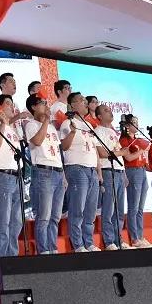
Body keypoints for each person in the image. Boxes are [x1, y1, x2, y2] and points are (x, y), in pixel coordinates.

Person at [60, 93, 102, 252]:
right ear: (72, 105)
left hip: (92, 170)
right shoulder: (67, 123)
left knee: (90, 211)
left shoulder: (89, 125)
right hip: (76, 168)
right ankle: (78, 244)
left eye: (85, 100)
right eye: (81, 100)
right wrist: (72, 132)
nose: (85, 102)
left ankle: (89, 242)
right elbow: (64, 147)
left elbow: (95, 150)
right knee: (77, 209)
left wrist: (99, 172)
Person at [24, 94, 65, 254]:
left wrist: (64, 175)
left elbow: (58, 152)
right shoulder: (31, 125)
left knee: (55, 216)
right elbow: (37, 141)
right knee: (44, 215)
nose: (46, 106)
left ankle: (52, 248)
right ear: (33, 107)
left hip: (58, 172)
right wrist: (47, 121)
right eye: (42, 103)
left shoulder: (53, 128)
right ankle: (43, 251)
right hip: (43, 172)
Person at [0, 95, 23, 256]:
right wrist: (2, 124)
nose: (11, 107)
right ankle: (2, 260)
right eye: (8, 103)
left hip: (17, 175)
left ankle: (12, 256)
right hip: (4, 175)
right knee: (4, 219)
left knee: (17, 220)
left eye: (12, 104)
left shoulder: (13, 130)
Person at [94, 105, 130, 250]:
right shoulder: (98, 131)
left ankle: (118, 239)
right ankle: (109, 241)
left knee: (120, 211)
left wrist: (124, 173)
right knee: (109, 209)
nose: (110, 112)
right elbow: (102, 153)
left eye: (109, 110)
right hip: (108, 171)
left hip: (119, 171)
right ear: (99, 116)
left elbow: (118, 154)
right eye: (106, 111)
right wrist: (121, 153)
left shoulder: (113, 132)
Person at [120, 114, 152, 249]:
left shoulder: (138, 140)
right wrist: (142, 151)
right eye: (134, 122)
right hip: (132, 171)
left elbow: (143, 156)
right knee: (133, 206)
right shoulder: (124, 140)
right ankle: (134, 238)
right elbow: (128, 158)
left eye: (137, 122)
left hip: (142, 170)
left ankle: (140, 235)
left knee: (140, 207)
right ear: (127, 125)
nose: (137, 125)